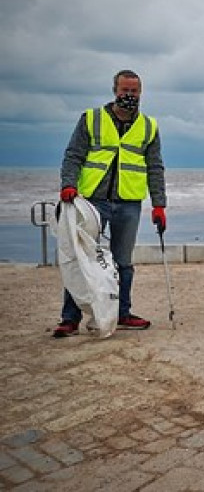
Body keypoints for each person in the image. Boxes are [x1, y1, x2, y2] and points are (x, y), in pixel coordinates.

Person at [54, 69, 167, 338]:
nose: (129, 95)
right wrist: (68, 184)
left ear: (141, 93)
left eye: (134, 91)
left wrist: (159, 205)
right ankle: (70, 318)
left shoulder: (149, 126)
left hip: (129, 203)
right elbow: (73, 156)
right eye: (125, 90)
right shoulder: (92, 119)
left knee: (123, 262)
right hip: (91, 201)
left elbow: (155, 167)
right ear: (115, 90)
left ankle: (123, 313)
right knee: (82, 259)